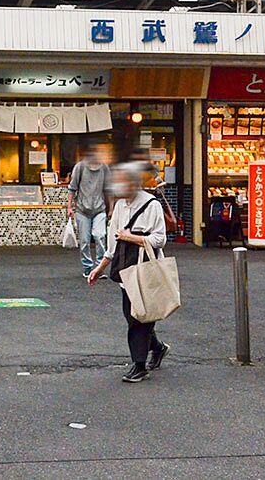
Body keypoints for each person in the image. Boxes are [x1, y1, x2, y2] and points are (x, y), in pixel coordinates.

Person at [85, 163, 169, 383]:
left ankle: (139, 366)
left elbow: (160, 239)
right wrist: (99, 268)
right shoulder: (120, 206)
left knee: (138, 320)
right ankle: (157, 348)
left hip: (147, 271)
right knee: (134, 317)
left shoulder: (152, 205)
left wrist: (131, 237)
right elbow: (112, 245)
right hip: (126, 272)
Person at [67, 141, 112, 278]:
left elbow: (108, 189)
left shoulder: (104, 168)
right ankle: (87, 267)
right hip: (82, 209)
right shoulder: (80, 167)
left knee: (100, 236)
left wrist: (111, 208)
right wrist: (69, 207)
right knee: (85, 240)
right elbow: (72, 188)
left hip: (99, 209)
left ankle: (99, 267)